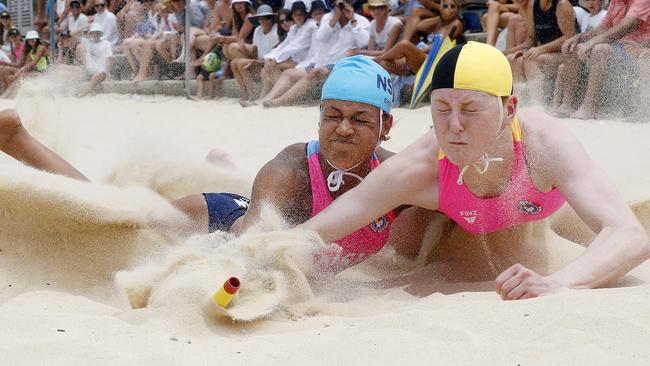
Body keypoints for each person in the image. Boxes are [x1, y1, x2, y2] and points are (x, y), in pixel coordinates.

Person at [0, 56, 422, 273]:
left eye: (359, 118)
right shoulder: (293, 166)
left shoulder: (400, 177)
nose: (343, 129)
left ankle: (223, 162)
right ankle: (15, 137)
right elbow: (252, 232)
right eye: (332, 115)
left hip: (249, 211)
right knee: (114, 223)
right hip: (220, 221)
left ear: (386, 124)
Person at [296, 42, 650, 300]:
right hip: (463, 231)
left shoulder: (543, 143)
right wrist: (259, 257)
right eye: (442, 109)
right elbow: (318, 230)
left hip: (549, 214)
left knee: (611, 222)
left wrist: (556, 284)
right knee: (410, 235)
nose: (454, 127)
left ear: (509, 109)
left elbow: (629, 237)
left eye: (470, 109)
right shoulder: (420, 166)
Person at [259, 0, 370, 107]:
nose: (344, 4)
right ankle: (265, 99)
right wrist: (335, 18)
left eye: (347, 1)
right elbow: (321, 37)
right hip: (320, 62)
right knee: (288, 73)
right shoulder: (327, 18)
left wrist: (353, 20)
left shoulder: (361, 21)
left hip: (341, 65)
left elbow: (364, 42)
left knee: (315, 73)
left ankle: (280, 101)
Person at [554, 0, 650, 119]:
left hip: (637, 48)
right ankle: (568, 104)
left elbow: (625, 26)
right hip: (620, 48)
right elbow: (604, 28)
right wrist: (579, 37)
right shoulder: (616, 1)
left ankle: (589, 107)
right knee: (573, 47)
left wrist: (591, 43)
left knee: (600, 49)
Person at [249, 0, 327, 107]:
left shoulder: (310, 26)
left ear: (305, 14)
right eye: (295, 14)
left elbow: (295, 46)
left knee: (272, 67)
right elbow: (284, 45)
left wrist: (275, 59)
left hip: (302, 61)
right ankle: (263, 98)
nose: (298, 17)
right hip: (296, 60)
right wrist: (270, 57)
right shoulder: (294, 28)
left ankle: (269, 98)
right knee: (267, 67)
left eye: (300, 14)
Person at [505, 0, 576, 104]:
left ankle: (539, 105)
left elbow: (569, 36)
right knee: (516, 60)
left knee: (531, 60)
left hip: (567, 54)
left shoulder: (562, 4)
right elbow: (531, 39)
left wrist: (541, 49)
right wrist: (517, 51)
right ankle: (520, 103)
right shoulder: (532, 5)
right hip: (544, 52)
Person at [374, 0, 463, 76]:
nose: (449, 9)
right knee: (385, 64)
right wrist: (440, 17)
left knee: (404, 44)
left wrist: (416, 50)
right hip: (421, 57)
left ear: (457, 10)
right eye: (445, 6)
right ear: (441, 9)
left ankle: (375, 60)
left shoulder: (456, 24)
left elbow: (441, 45)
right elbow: (420, 26)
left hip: (432, 59)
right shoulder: (439, 22)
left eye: (452, 6)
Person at [551, 0, 606, 114]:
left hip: (594, 56)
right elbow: (582, 37)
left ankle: (572, 104)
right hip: (582, 56)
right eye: (587, 1)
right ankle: (557, 105)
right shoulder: (585, 18)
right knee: (562, 68)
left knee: (574, 54)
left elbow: (602, 37)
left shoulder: (604, 15)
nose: (591, 3)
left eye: (594, 0)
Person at [231, 4, 280, 102]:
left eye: (267, 18)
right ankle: (246, 92)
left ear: (272, 19)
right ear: (258, 20)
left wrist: (256, 62)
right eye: (262, 18)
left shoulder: (276, 31)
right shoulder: (257, 30)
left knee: (241, 64)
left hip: (271, 65)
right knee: (234, 62)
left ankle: (252, 95)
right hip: (259, 62)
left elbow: (276, 57)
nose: (264, 21)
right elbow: (255, 52)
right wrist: (244, 49)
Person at [77, 23, 112, 96]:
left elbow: (108, 59)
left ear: (100, 33)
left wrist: (108, 74)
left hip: (101, 71)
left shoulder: (106, 43)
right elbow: (72, 33)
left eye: (97, 32)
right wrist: (86, 26)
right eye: (93, 32)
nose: (95, 34)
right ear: (91, 34)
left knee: (99, 73)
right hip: (89, 70)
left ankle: (86, 92)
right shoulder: (88, 42)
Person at [56, 0, 90, 65]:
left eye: (77, 7)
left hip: (83, 41)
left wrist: (74, 38)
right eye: (73, 7)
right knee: (61, 41)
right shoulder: (70, 18)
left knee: (69, 42)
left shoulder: (83, 18)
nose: (75, 9)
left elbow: (85, 34)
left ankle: (77, 63)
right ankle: (64, 62)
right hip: (73, 40)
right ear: (70, 9)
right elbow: (67, 30)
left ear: (80, 8)